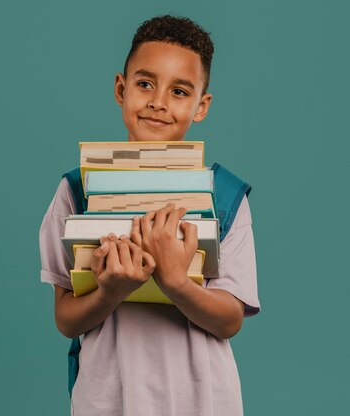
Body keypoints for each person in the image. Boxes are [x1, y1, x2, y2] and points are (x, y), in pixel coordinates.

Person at [39, 15, 260, 415]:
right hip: (109, 398)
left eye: (179, 91)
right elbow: (66, 320)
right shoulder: (75, 190)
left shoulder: (225, 196)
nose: (158, 101)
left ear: (201, 106)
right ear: (120, 89)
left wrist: (176, 282)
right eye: (145, 84)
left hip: (202, 399)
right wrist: (110, 291)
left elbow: (230, 320)